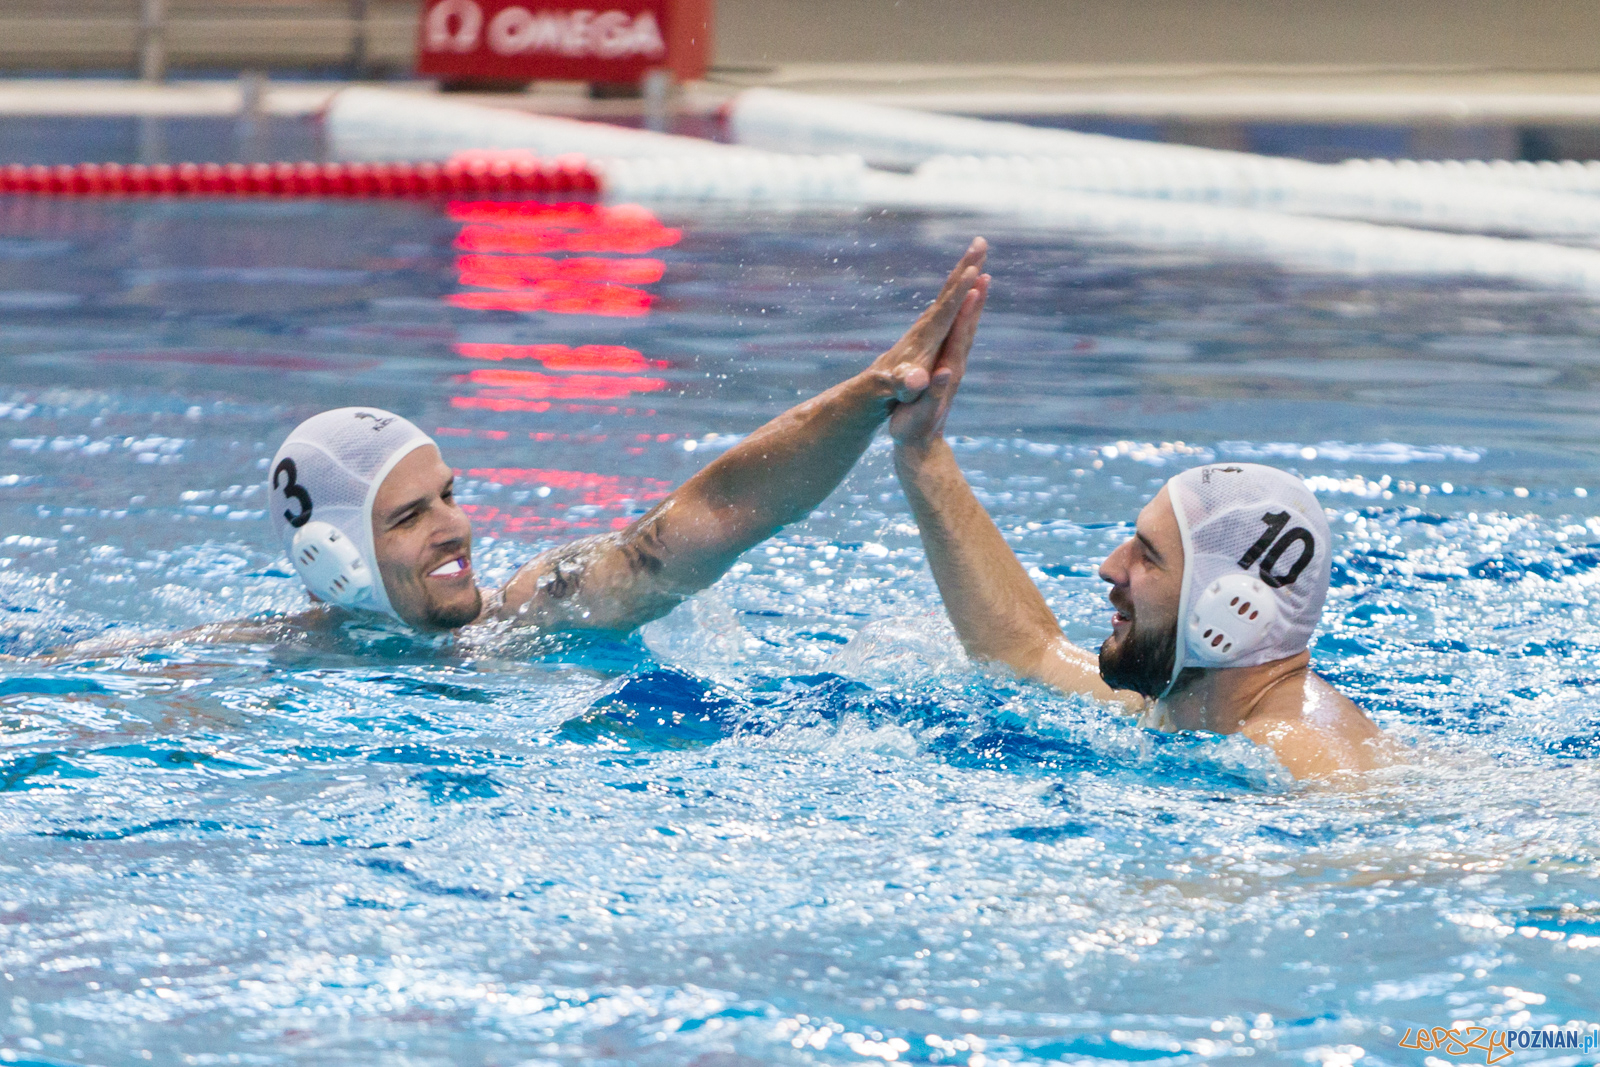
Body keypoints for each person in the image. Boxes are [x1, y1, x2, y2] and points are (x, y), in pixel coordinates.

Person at [261, 239, 990, 642]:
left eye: (448, 495)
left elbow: (717, 514)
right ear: (333, 555)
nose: (455, 527)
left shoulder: (538, 611)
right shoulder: (260, 658)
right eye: (409, 515)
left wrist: (868, 397)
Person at [886, 270, 1393, 780]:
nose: (1110, 567)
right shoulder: (1189, 696)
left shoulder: (1300, 754)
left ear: (1230, 608)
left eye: (1148, 556)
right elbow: (1028, 654)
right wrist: (922, 450)